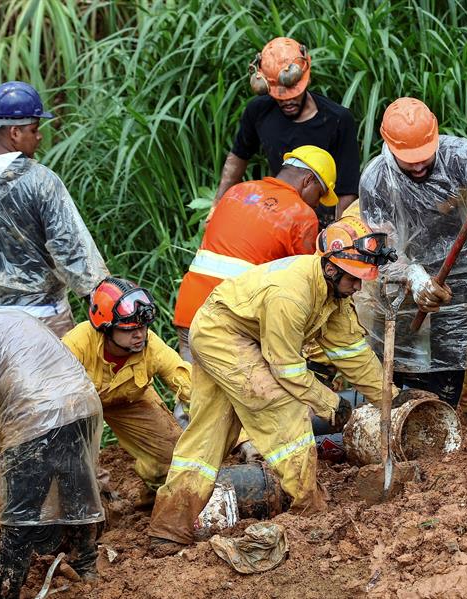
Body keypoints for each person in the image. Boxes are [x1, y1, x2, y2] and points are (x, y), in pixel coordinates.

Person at [148, 217, 398, 553]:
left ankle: (168, 528)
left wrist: (391, 397)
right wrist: (330, 404)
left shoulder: (331, 293)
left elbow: (350, 352)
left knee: (210, 432)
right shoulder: (290, 295)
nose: (358, 287)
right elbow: (287, 369)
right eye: (355, 279)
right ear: (332, 269)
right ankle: (309, 509)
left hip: (223, 332)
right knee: (283, 409)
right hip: (224, 336)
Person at [353, 97, 467, 410]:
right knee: (401, 360)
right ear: (389, 145)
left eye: (423, 156)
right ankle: (403, 415)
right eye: (409, 159)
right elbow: (382, 248)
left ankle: (454, 414)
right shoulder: (376, 180)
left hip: (458, 274)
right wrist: (415, 278)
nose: (418, 165)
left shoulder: (457, 155)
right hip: (402, 279)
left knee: (451, 354)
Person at [0, 296, 103, 599]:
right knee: (75, 489)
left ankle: (4, 590)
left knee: (20, 513)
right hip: (83, 403)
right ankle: (85, 566)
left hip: (34, 414)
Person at [0, 81, 108, 337]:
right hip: (44, 317)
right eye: (34, 129)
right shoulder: (41, 181)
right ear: (15, 132)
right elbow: (71, 249)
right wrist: (103, 300)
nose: (39, 137)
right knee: (54, 378)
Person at [174, 145, 338, 363]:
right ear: (308, 180)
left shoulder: (237, 191)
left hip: (190, 305)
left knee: (189, 385)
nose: (317, 203)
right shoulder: (301, 214)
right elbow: (308, 282)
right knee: (242, 392)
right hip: (233, 317)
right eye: (320, 194)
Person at [63, 278, 190, 502]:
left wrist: (241, 438)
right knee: (69, 461)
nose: (140, 334)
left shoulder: (152, 345)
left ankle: (156, 496)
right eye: (130, 329)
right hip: (79, 408)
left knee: (171, 454)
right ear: (106, 328)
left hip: (131, 401)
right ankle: (93, 504)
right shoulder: (77, 343)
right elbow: (51, 394)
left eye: (142, 327)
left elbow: (191, 385)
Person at [214, 37, 360, 222]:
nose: (287, 100)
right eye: (279, 95)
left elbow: (347, 188)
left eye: (293, 93)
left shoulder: (337, 119)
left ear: (306, 80)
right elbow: (238, 156)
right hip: (280, 214)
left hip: (324, 219)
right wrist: (217, 205)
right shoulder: (258, 111)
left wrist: (336, 235)